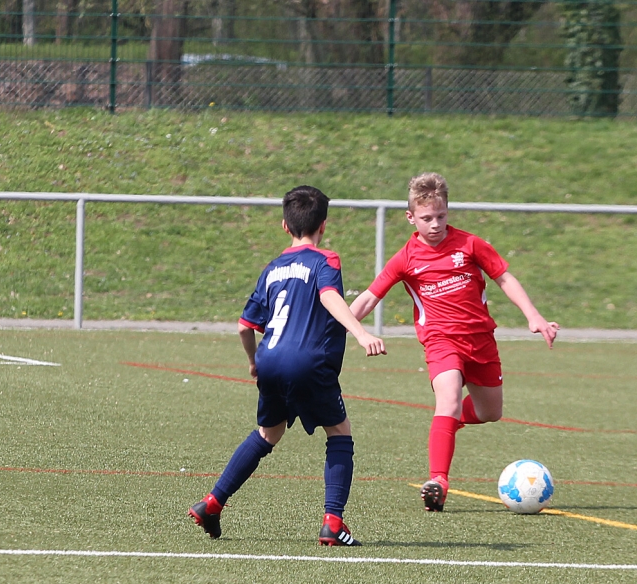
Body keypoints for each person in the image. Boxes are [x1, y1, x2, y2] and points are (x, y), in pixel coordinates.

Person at [349, 173, 559, 512]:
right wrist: (339, 326)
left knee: (491, 412)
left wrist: (533, 316)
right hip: (441, 340)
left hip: (481, 340)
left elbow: (504, 277)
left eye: (441, 216)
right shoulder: (405, 258)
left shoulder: (470, 245)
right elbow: (369, 298)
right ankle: (439, 481)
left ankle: (448, 425)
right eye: (426, 218)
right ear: (411, 217)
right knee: (447, 401)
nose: (435, 225)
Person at [189, 186, 386, 545]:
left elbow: (244, 326)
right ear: (323, 225)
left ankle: (212, 503)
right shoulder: (325, 260)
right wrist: (360, 333)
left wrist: (253, 363)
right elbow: (329, 295)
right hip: (308, 362)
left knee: (269, 433)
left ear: (284, 225)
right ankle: (333, 523)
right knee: (339, 433)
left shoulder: (272, 269)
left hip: (270, 360)